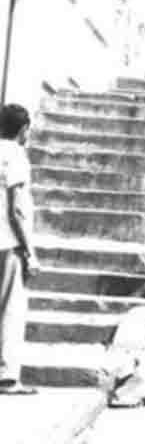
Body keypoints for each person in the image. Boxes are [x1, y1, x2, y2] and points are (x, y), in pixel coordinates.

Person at [0, 104, 39, 395]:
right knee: (11, 309)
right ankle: (7, 377)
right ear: (23, 130)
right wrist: (30, 251)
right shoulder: (15, 156)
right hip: (7, 242)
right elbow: (15, 211)